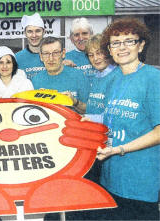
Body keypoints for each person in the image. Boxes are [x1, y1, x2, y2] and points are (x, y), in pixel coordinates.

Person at [95, 18, 160, 220]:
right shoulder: (111, 79)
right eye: (115, 43)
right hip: (111, 179)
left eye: (129, 41)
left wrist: (120, 149)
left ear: (141, 45)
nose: (122, 48)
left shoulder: (153, 78)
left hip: (141, 182)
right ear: (110, 49)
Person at [31, 36, 89, 114]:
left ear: (63, 53)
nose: (51, 58)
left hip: (73, 124)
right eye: (46, 54)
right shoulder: (35, 81)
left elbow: (90, 110)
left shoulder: (79, 76)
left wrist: (74, 102)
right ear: (41, 56)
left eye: (55, 53)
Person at [15, 12, 45, 80]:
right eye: (30, 31)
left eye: (38, 31)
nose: (34, 35)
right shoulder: (16, 58)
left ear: (44, 32)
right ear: (25, 33)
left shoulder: (53, 55)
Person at [64, 17, 95, 82]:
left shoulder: (102, 55)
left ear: (92, 35)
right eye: (76, 35)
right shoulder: (65, 58)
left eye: (84, 33)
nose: (81, 38)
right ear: (71, 39)